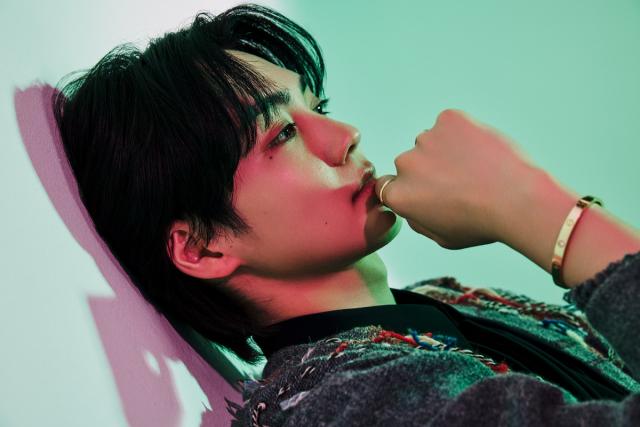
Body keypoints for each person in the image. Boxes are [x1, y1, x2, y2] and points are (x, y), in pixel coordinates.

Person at [52, 3, 640, 426]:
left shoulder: (450, 299)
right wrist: (530, 206)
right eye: (283, 133)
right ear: (204, 246)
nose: (345, 134)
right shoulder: (345, 403)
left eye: (321, 106)